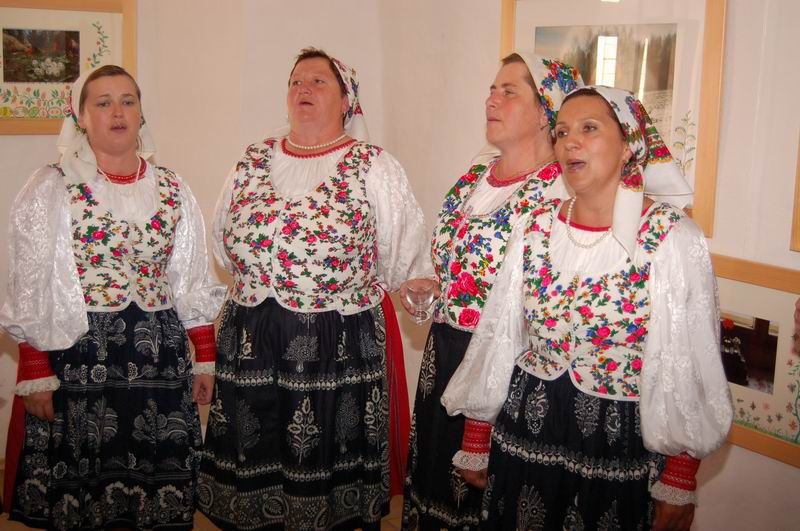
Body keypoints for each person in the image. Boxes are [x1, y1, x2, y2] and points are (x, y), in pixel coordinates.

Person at [442, 85, 733, 530]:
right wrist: (478, 432)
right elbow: (499, 332)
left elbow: (690, 361)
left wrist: (679, 476)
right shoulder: (535, 227)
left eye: (589, 128)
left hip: (617, 444)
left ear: (628, 146)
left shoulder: (671, 238)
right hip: (527, 429)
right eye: (561, 132)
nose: (569, 142)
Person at [197, 48, 430, 530]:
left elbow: (404, 258)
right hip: (253, 336)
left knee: (322, 460)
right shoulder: (252, 159)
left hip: (335, 343)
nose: (303, 88)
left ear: (346, 102)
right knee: (255, 454)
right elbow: (221, 243)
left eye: (318, 81)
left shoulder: (372, 166)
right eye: (296, 81)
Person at [0, 65, 225, 530]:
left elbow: (190, 277)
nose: (117, 112)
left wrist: (204, 356)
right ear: (81, 117)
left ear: (141, 113)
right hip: (79, 354)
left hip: (158, 358)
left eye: (128, 101)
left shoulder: (172, 187)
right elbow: (30, 281)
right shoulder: (52, 186)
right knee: (86, 484)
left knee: (153, 482)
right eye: (103, 103)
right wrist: (36, 369)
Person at [400, 53, 582, 530]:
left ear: (545, 112)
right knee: (435, 488)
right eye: (491, 90)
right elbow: (454, 266)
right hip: (445, 355)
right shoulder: (472, 179)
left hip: (508, 371)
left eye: (508, 91)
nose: (491, 100)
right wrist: (431, 287)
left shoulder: (559, 193)